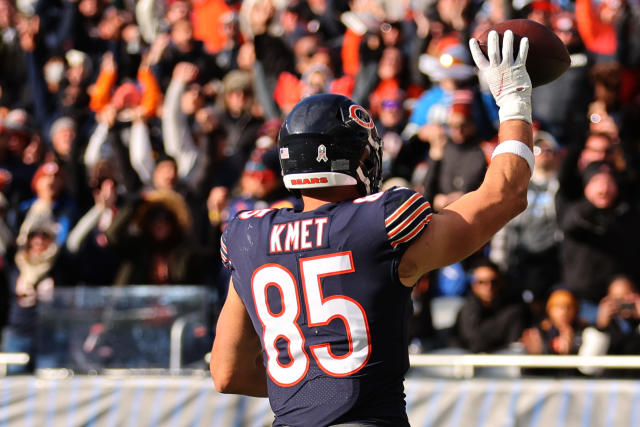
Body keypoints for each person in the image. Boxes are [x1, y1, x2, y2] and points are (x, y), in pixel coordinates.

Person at [210, 29, 534, 426]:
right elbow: (506, 194)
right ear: (360, 158)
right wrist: (514, 102)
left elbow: (226, 374)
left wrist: (314, 386)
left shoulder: (250, 236)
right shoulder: (376, 227)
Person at [453, 257, 526, 353]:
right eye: (481, 282)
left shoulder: (514, 311)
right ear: (473, 286)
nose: (488, 287)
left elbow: (512, 346)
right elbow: (470, 341)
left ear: (501, 282)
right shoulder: (466, 310)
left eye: (493, 282)